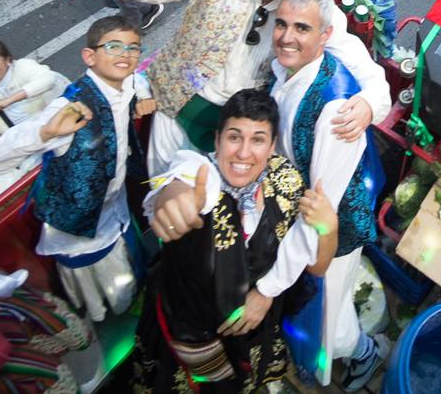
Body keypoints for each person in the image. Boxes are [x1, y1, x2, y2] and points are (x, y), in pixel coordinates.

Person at [148, 0, 387, 390]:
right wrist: (177, 184)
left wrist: (266, 290)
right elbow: (192, 169)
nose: (287, 37)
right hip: (284, 206)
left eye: (303, 29)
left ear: (325, 37)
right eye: (283, 25)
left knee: (328, 312)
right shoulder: (284, 68)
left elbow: (315, 216)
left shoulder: (335, 110)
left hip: (328, 225)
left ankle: (358, 355)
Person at [95, 0, 390, 162]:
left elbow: (364, 68)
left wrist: (369, 102)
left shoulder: (311, 9)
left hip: (242, 137)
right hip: (175, 112)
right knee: (166, 205)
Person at [135, 88, 339, 392]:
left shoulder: (287, 183)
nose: (243, 153)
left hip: (254, 333)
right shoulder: (201, 179)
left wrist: (329, 229)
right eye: (234, 137)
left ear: (272, 147)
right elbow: (183, 178)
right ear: (217, 140)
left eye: (257, 139)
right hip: (190, 335)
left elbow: (317, 268)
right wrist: (173, 198)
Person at [0, 17, 157, 322]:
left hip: (117, 210)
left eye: (133, 48)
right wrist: (46, 133)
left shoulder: (126, 84)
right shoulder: (68, 108)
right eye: (114, 47)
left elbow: (136, 80)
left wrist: (144, 96)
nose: (125, 55)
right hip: (80, 230)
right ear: (90, 56)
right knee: (108, 297)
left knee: (131, 275)